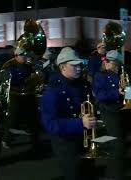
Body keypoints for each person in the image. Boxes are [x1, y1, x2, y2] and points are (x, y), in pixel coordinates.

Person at [40, 47, 96, 180]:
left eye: (80, 65)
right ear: (62, 67)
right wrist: (79, 123)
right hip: (66, 143)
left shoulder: (83, 84)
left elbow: (91, 106)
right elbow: (50, 124)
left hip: (84, 139)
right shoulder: (53, 90)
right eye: (74, 65)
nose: (79, 68)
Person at [93, 50, 126, 180]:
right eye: (107, 61)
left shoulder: (120, 74)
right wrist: (117, 92)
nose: (108, 64)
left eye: (112, 62)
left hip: (121, 110)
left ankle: (117, 170)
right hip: (108, 110)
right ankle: (113, 175)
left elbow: (127, 92)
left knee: (120, 142)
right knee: (116, 144)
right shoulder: (100, 76)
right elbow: (100, 96)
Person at [1, 47, 42, 150]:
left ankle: (35, 141)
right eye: (22, 55)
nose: (25, 57)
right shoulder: (9, 65)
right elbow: (8, 80)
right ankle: (6, 139)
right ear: (16, 56)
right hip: (15, 95)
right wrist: (26, 79)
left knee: (33, 119)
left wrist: (37, 78)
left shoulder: (28, 65)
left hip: (28, 94)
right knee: (12, 119)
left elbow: (36, 76)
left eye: (25, 55)